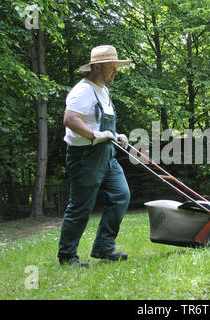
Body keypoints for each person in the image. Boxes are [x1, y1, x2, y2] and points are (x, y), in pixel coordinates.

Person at [57, 45, 132, 267]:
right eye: (112, 67)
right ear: (97, 67)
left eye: (117, 68)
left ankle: (104, 247)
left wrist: (116, 135)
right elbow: (70, 119)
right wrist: (95, 135)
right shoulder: (83, 90)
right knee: (81, 206)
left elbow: (98, 121)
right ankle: (67, 255)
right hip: (85, 156)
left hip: (105, 153)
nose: (115, 72)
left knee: (121, 195)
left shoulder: (104, 90)